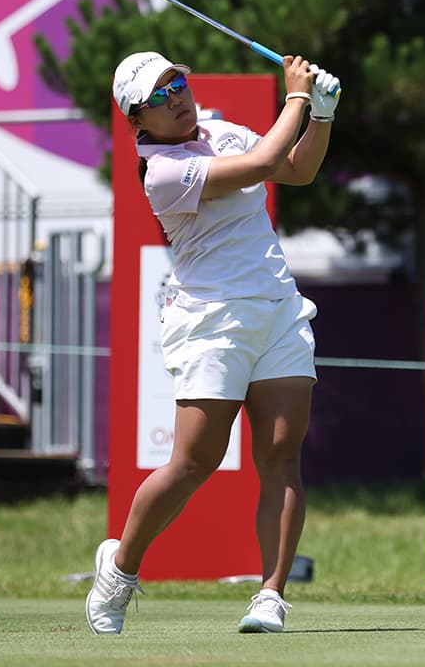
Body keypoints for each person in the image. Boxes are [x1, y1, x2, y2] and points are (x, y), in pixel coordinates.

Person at [87, 49, 341, 636]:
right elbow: (261, 165)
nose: (174, 96)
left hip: (277, 308)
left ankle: (270, 595)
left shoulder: (224, 131)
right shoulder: (163, 172)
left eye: (175, 82)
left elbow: (295, 170)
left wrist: (321, 116)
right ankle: (120, 568)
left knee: (281, 452)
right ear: (137, 122)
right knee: (193, 462)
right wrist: (298, 97)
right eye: (156, 96)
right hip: (211, 321)